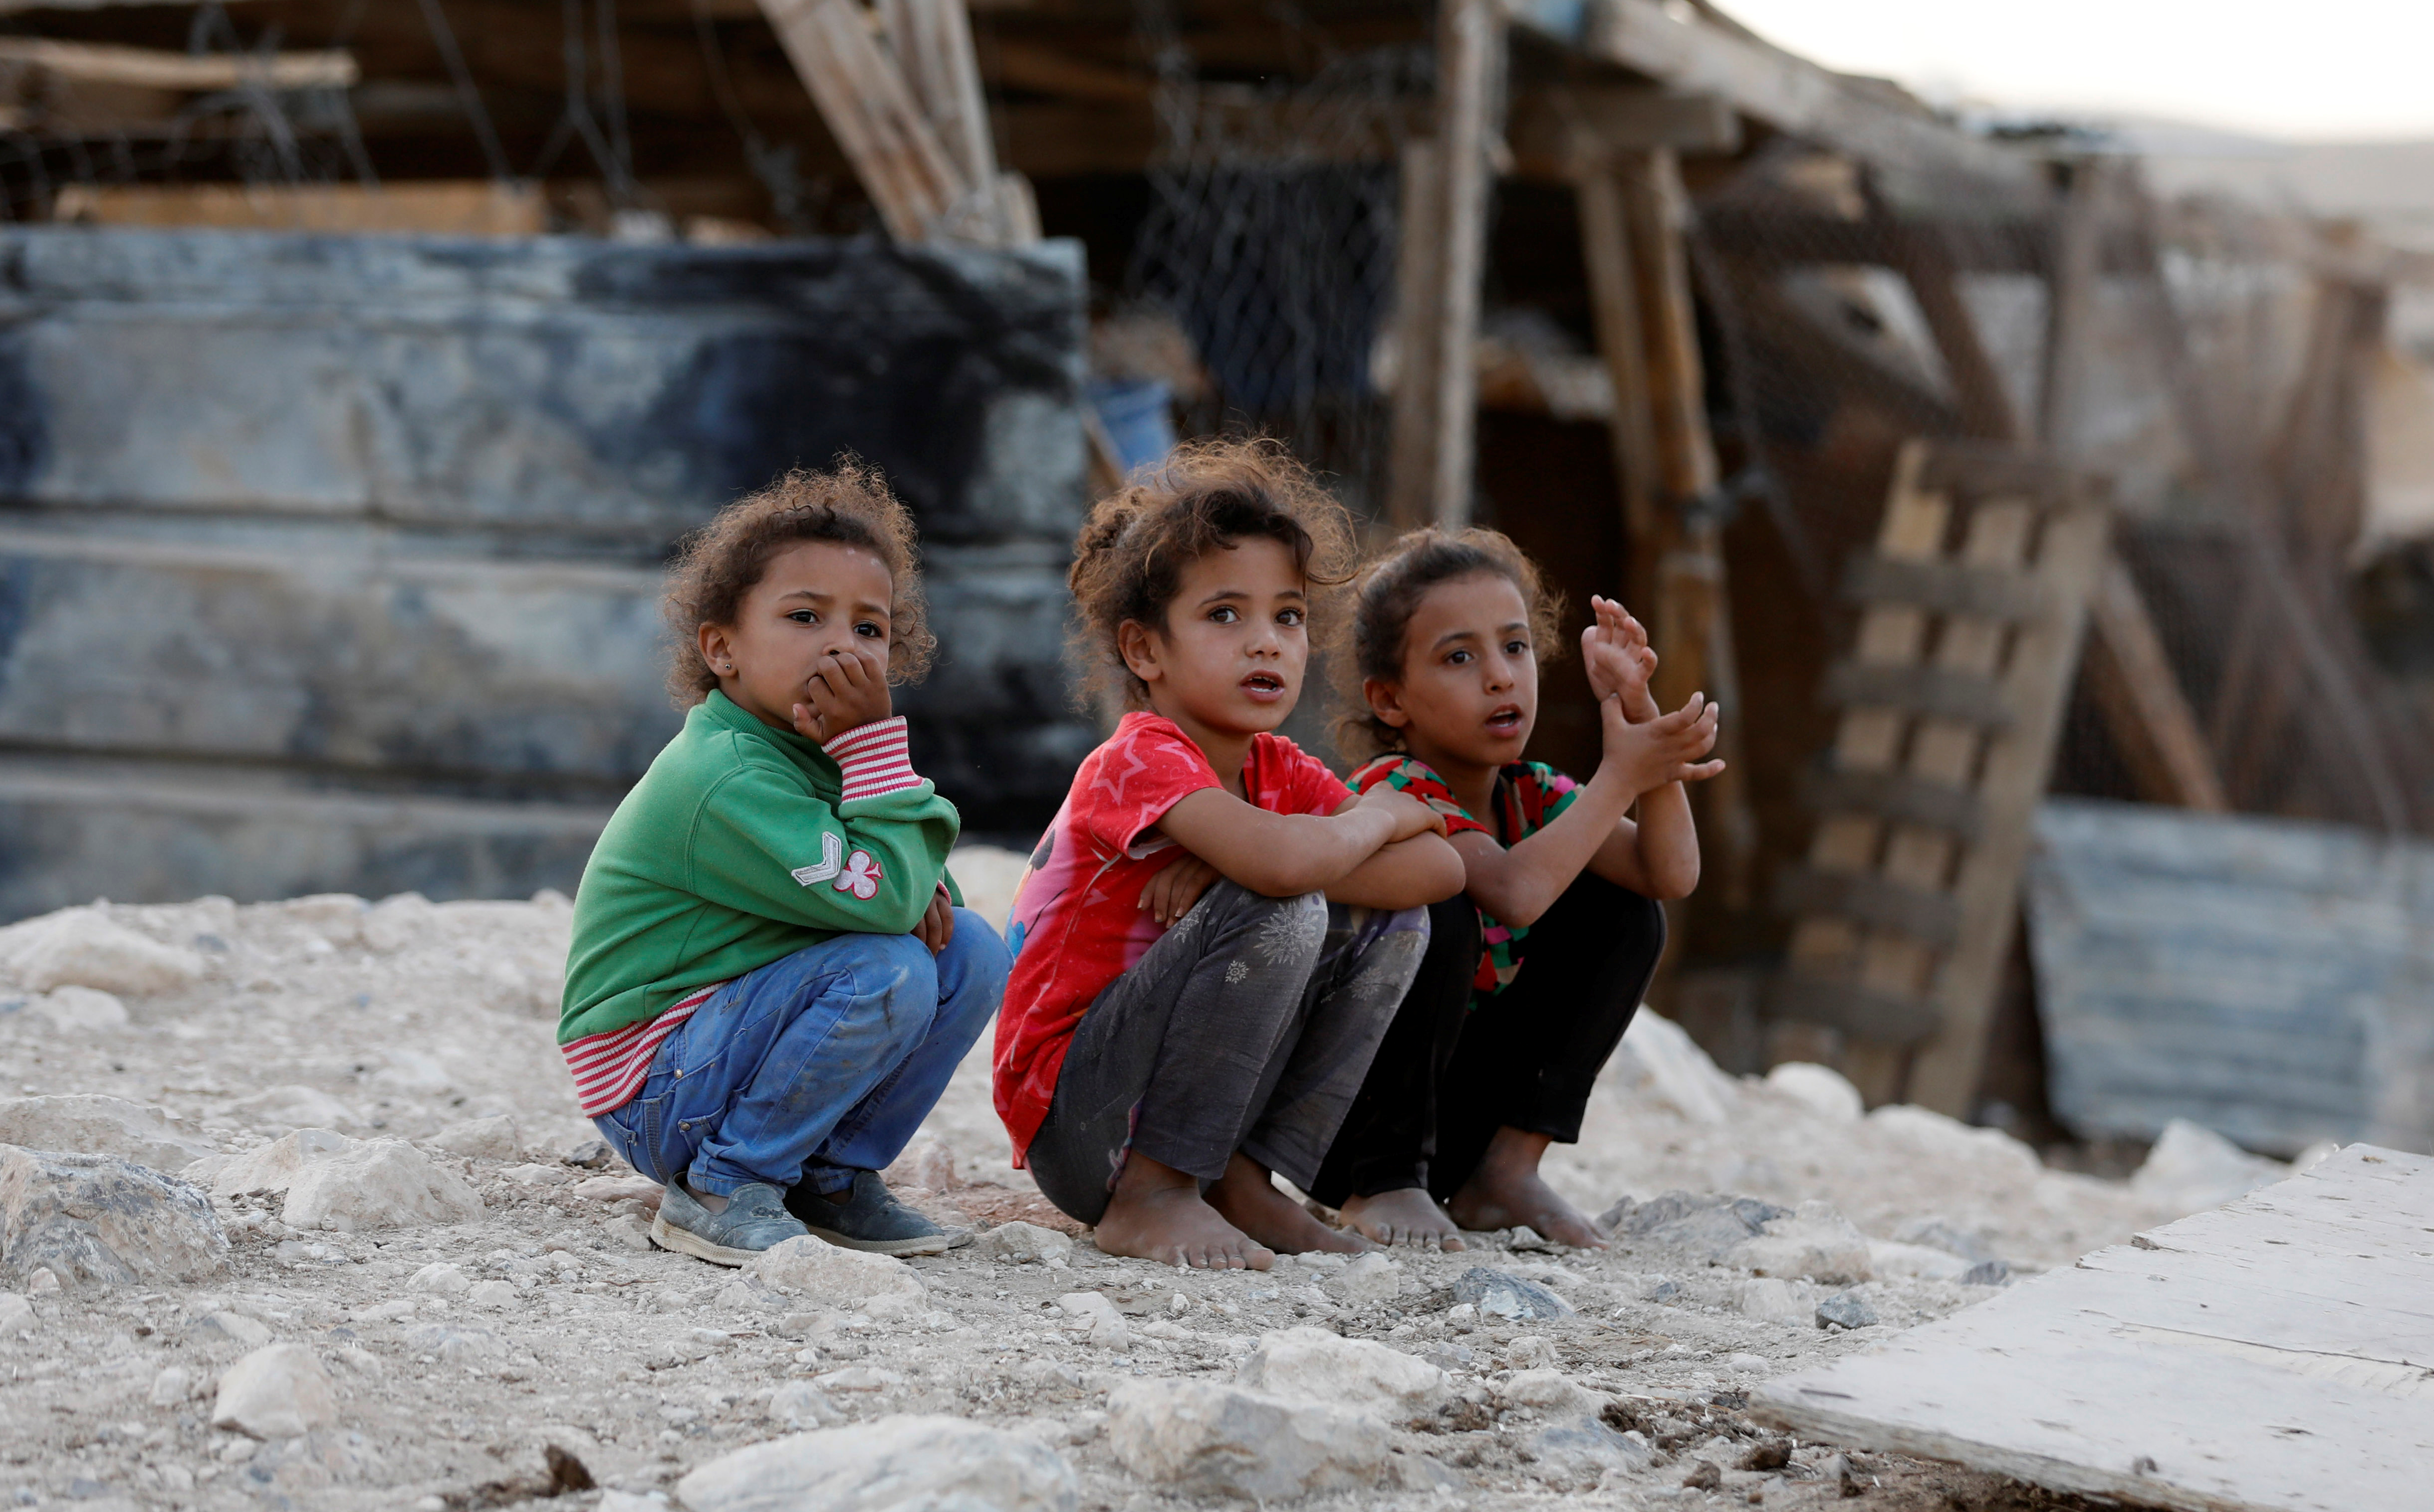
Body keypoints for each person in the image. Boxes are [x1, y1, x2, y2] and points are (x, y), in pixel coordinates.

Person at [992, 438, 1464, 1271]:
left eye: (1286, 615)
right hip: (1079, 1116)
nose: (1267, 642)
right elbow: (1285, 872)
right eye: (1224, 615)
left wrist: (1251, 854)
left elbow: (1442, 871)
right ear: (1144, 651)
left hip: (1174, 1097)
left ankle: (1241, 1176)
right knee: (1281, 901)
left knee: (1394, 921)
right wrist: (1374, 816)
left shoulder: (1275, 768)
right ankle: (1151, 1195)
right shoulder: (1137, 758)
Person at [558, 458, 1007, 1267]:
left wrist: (911, 872)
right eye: (806, 617)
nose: (843, 647)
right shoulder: (725, 774)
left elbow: (922, 898)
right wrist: (879, 772)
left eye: (869, 629)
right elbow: (882, 905)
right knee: (888, 966)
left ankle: (830, 1177)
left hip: (719, 1047)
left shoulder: (827, 755)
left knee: (971, 950)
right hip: (650, 1079)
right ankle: (723, 1184)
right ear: (722, 649)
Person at [1310, 529, 1721, 1250]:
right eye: (1459, 657)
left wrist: (1639, 718)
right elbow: (1513, 892)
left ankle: (1502, 1169)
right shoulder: (1397, 792)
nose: (1500, 676)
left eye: (1516, 646)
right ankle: (1381, 1185)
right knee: (1442, 901)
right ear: (1392, 699)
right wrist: (1621, 775)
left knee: (1625, 909)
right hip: (1344, 1118)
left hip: (1450, 1114)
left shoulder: (1532, 793)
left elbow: (1669, 875)